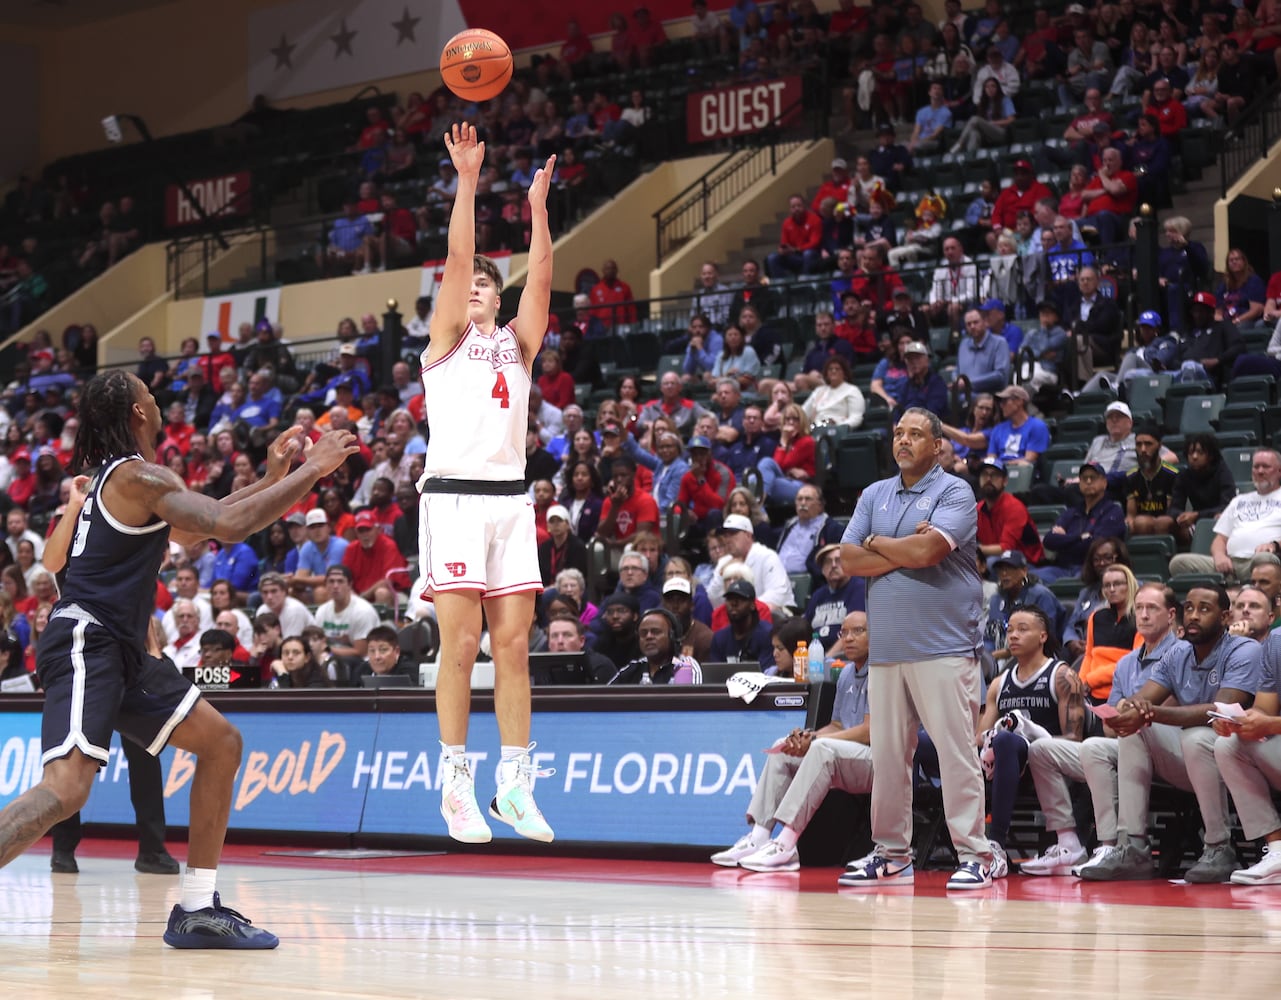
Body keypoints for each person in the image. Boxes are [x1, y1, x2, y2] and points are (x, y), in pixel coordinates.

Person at [0, 368, 355, 948]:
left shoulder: (130, 482)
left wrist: (272, 479)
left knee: (221, 743)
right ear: (138, 411)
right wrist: (313, 470)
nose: (157, 398)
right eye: (149, 392)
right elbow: (229, 526)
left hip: (122, 648)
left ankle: (196, 908)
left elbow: (197, 530)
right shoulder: (138, 476)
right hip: (90, 638)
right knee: (66, 790)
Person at [416, 122, 557, 846]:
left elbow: (542, 279)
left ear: (497, 300)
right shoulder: (445, 340)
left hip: (510, 501)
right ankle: (454, 784)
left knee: (513, 647)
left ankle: (515, 784)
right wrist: (467, 181)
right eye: (465, 283)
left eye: (484, 284)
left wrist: (537, 210)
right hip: (453, 499)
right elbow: (457, 255)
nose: (472, 286)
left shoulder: (518, 345)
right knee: (461, 645)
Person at [838, 408, 997, 889]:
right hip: (887, 650)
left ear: (937, 445)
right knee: (888, 758)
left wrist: (878, 543)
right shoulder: (873, 494)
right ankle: (891, 853)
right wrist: (903, 547)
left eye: (915, 434)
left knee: (956, 753)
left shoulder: (955, 491)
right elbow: (849, 559)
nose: (903, 441)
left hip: (944, 646)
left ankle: (976, 854)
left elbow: (930, 553)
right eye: (898, 434)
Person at [1082, 585, 1259, 882]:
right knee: (1121, 736)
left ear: (1226, 617)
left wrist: (1150, 713)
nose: (1193, 615)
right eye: (1189, 608)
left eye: (1204, 609)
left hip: (1235, 757)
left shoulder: (1244, 649)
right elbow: (1143, 698)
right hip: (1187, 757)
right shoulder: (1178, 653)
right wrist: (1130, 710)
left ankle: (1219, 847)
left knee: (1196, 737)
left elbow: (1220, 710)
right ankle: (1131, 847)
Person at [1021, 582, 1180, 876]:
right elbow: (1109, 727)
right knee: (1041, 749)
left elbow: (1164, 711)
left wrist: (1128, 717)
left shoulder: (1182, 652)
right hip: (1124, 746)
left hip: (1169, 751)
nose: (1144, 615)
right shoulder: (1126, 663)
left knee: (1120, 737)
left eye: (1152, 608)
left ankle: (1120, 844)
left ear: (1170, 615)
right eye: (1139, 608)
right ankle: (1073, 843)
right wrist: (1124, 718)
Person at [713, 611, 874, 872]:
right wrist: (808, 736)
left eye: (858, 631)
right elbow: (837, 725)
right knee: (783, 747)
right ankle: (759, 836)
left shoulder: (881, 672)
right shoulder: (845, 674)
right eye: (844, 632)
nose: (848, 638)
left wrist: (817, 740)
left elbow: (868, 732)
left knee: (821, 747)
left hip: (879, 762)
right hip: (845, 757)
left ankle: (786, 845)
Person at [975, 607, 1085, 863]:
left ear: (1043, 636)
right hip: (1001, 765)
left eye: (1023, 630)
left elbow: (1074, 739)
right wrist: (999, 730)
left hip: (1047, 767)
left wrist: (1028, 735)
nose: (1013, 636)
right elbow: (980, 737)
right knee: (928, 744)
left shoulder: (1063, 676)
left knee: (1008, 740)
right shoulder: (999, 683)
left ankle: (996, 844)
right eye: (1010, 630)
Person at [1213, 628, 1281, 883]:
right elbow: (1265, 708)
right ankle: (1277, 851)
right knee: (1229, 745)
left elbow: (1271, 722)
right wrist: (1242, 721)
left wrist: (1272, 725)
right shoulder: (1276, 641)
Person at [1169, 448, 1281, 581]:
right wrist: (1219, 556)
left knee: (1264, 559)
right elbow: (1220, 539)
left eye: (1266, 467)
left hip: (1261, 561)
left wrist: (1274, 545)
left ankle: (1241, 585)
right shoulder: (1239, 500)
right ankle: (1231, 584)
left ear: (1279, 471)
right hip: (1230, 563)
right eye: (1256, 467)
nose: (1260, 471)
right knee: (1178, 563)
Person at [604, 608, 702, 684]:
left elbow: (687, 701)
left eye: (656, 632)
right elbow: (604, 697)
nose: (649, 637)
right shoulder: (633, 669)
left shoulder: (684, 665)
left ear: (672, 636)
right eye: (643, 633)